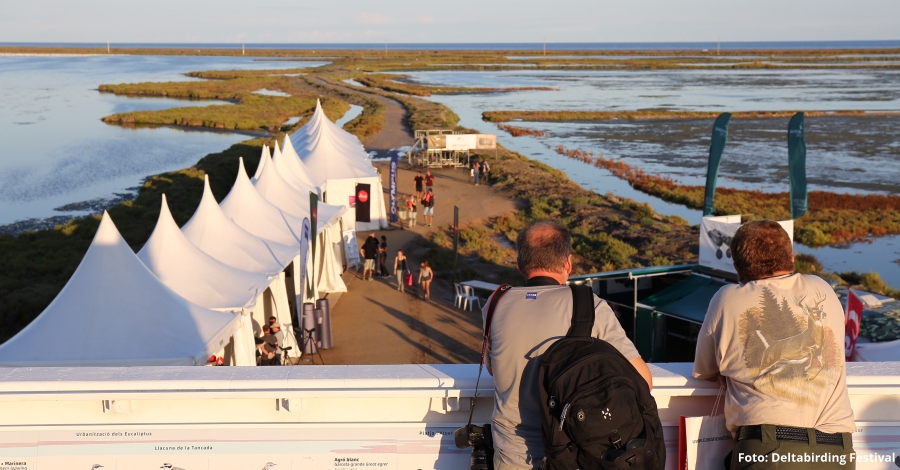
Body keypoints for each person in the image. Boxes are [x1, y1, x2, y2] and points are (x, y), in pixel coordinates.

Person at [484, 220, 651, 469]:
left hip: (511, 455)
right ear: (568, 263)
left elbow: (492, 368)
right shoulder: (590, 306)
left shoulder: (495, 303)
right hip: (572, 456)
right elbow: (643, 379)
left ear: (519, 264)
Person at [694, 220, 855, 470]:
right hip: (837, 451)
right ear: (792, 259)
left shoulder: (726, 298)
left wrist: (724, 372)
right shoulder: (823, 287)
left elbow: (704, 369)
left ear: (738, 269)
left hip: (769, 448)